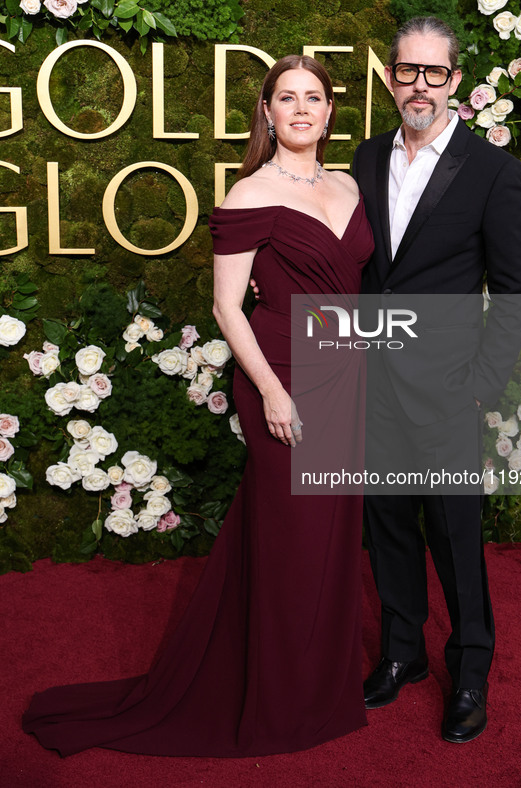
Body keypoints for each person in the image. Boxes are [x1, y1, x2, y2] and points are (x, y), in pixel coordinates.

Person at [22, 56, 375, 757]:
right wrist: (273, 389)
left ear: (331, 112)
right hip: (283, 376)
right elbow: (226, 306)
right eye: (286, 98)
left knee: (329, 539)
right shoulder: (250, 193)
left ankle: (319, 684)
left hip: (345, 374)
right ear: (266, 112)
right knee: (294, 539)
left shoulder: (348, 184)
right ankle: (278, 699)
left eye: (314, 97)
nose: (301, 109)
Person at [353, 17, 521, 743]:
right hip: (372, 385)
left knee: (455, 534)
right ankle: (403, 654)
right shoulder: (364, 160)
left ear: (454, 81)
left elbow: (515, 291)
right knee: (387, 525)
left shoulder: (492, 171)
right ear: (390, 78)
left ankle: (468, 668)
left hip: (449, 390)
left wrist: (481, 385)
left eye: (433, 72)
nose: (418, 85)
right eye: (406, 71)